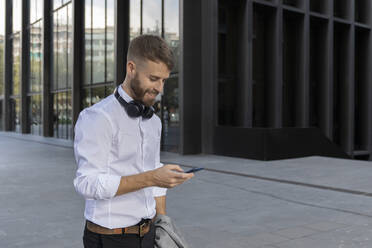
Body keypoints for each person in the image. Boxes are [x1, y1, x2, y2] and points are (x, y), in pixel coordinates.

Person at [73, 34, 194, 248]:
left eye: (164, 80)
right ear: (131, 68)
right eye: (154, 79)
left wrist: (162, 224)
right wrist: (152, 177)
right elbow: (87, 183)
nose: (160, 88)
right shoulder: (97, 117)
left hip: (148, 234)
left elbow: (153, 170)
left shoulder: (153, 122)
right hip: (110, 238)